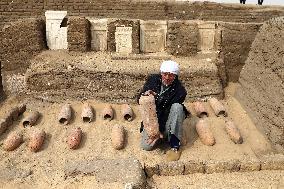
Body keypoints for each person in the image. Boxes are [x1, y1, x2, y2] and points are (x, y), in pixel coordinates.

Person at [137, 60, 190, 161]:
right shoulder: (152, 80)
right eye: (165, 74)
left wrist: (157, 98)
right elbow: (139, 100)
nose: (167, 77)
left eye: (171, 75)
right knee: (146, 146)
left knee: (177, 107)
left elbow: (167, 111)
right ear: (161, 73)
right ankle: (163, 136)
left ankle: (175, 145)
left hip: (168, 121)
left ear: (175, 76)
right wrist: (144, 95)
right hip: (154, 122)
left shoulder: (180, 91)